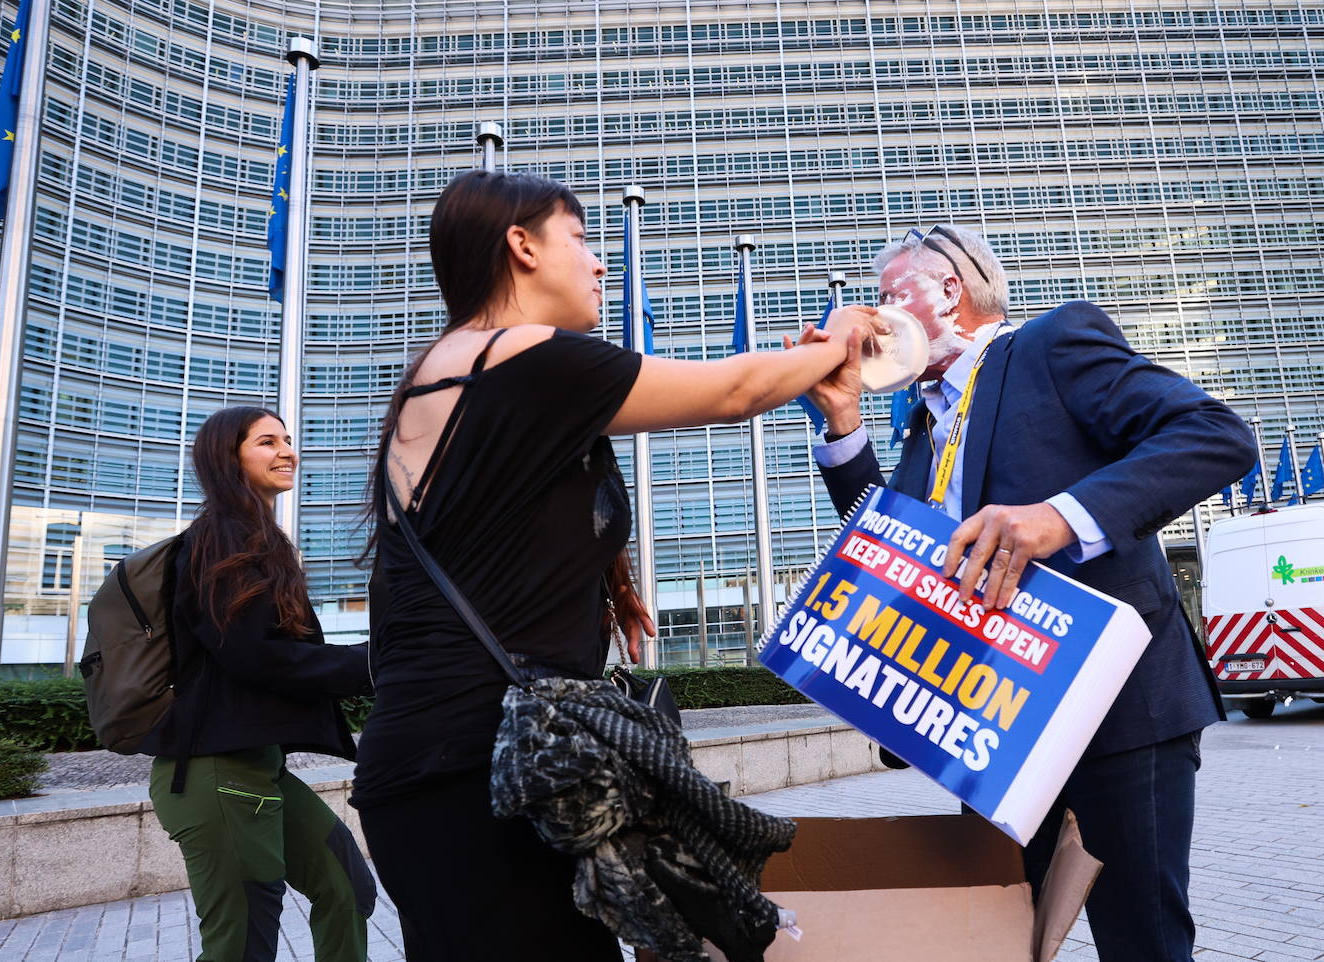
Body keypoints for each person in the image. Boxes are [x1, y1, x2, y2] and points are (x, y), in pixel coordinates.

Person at [350, 169, 876, 962]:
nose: (599, 264)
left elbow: (467, 553)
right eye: (582, 239)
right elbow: (734, 391)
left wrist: (604, 585)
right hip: (487, 773)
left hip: (437, 765)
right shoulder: (526, 356)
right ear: (520, 247)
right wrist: (844, 340)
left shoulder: (447, 374)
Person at [795, 224, 1258, 962]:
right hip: (998, 733)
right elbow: (885, 551)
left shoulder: (1049, 346)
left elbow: (1215, 435)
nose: (875, 314)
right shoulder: (921, 426)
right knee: (1014, 939)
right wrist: (844, 423)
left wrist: (1057, 518)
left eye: (889, 294)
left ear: (950, 290)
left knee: (1143, 944)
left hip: (1119, 720)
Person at [142, 406, 376, 962]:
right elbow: (255, 657)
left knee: (346, 886)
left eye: (288, 440)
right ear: (230, 458)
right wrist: (379, 664)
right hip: (216, 771)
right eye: (267, 442)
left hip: (257, 766)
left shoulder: (257, 538)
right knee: (242, 944)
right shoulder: (222, 539)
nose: (287, 450)